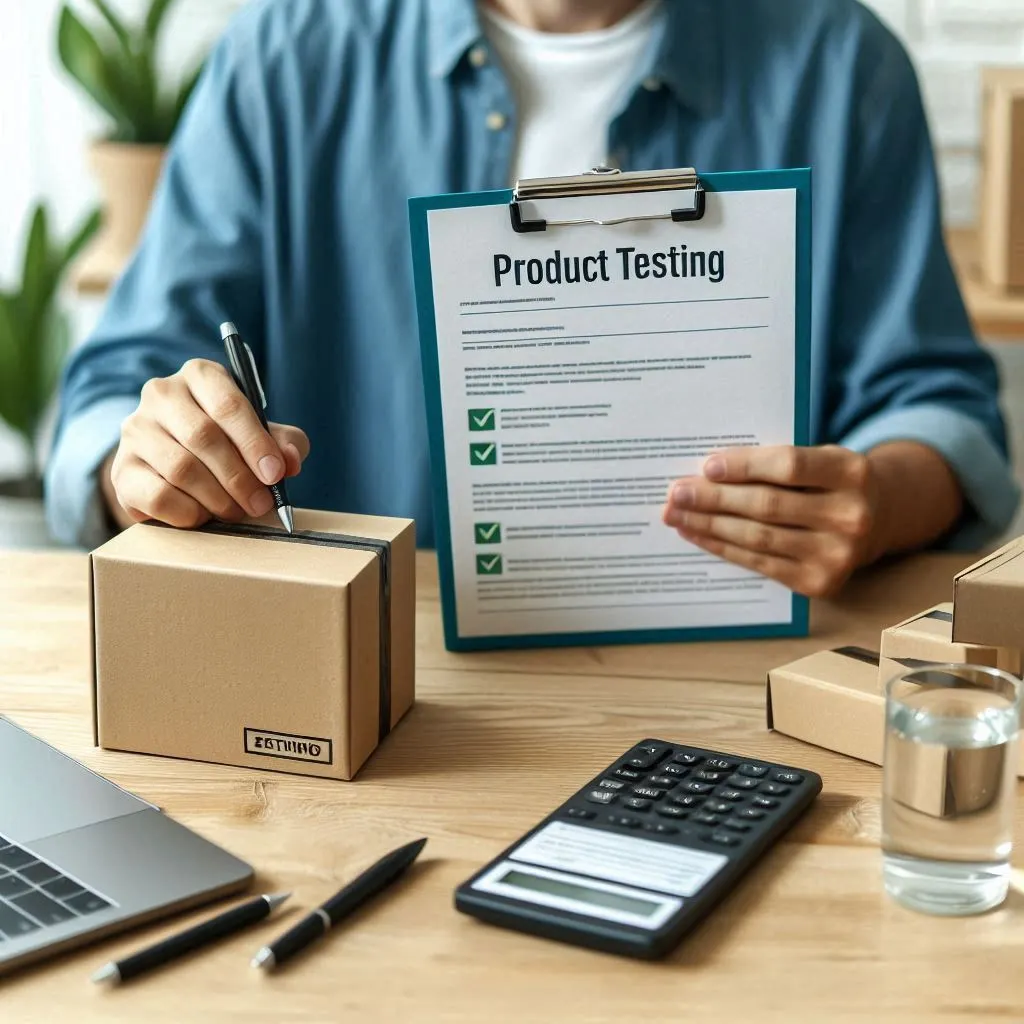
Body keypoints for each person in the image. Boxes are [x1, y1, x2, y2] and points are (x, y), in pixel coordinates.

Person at [47, 0, 1020, 598]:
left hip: (734, 679)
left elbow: (937, 401)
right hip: (371, 678)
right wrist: (144, 464)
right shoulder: (283, 51)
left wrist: (877, 499)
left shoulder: (843, 64)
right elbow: (112, 396)